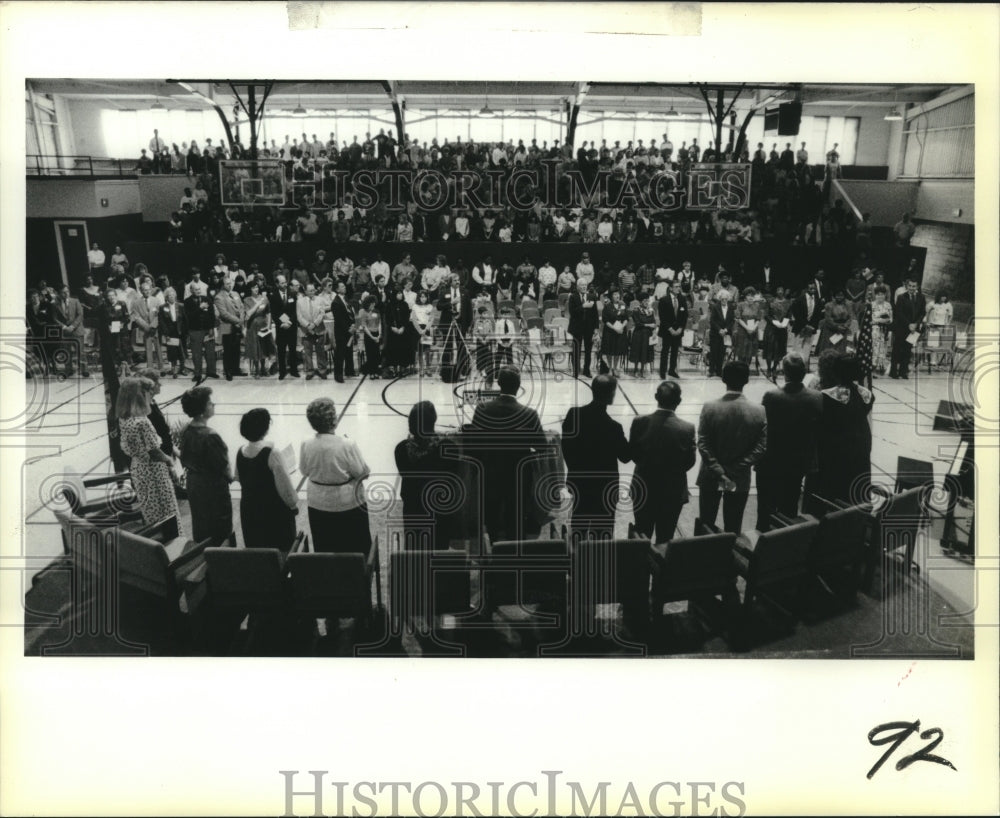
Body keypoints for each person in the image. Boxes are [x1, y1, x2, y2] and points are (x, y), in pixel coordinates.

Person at [469, 366, 548, 541]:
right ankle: (516, 553)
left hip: (490, 472)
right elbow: (542, 446)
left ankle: (493, 549)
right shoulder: (529, 414)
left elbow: (472, 444)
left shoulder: (482, 409)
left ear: (498, 384)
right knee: (517, 516)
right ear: (519, 386)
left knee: (492, 516)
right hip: (518, 474)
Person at [696, 361, 768, 534]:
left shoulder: (710, 407)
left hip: (711, 475)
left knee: (705, 523)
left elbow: (703, 444)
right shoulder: (759, 410)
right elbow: (760, 447)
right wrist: (734, 470)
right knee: (733, 525)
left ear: (723, 379)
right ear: (747, 380)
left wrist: (720, 472)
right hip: (739, 477)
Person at [754, 354, 822, 530]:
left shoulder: (771, 396)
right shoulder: (816, 397)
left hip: (772, 460)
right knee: (790, 506)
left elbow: (763, 427)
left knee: (765, 509)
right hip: (799, 461)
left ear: (785, 373)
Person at [299, 397, 373, 555]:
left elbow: (304, 471)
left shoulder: (306, 443)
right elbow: (362, 473)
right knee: (355, 547)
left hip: (317, 503)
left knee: (325, 545)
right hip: (347, 503)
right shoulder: (347, 444)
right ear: (333, 420)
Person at [626, 379, 696, 546]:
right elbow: (689, 462)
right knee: (666, 538)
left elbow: (634, 455)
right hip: (672, 491)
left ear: (656, 396)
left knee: (641, 536)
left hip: (643, 488)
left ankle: (640, 570)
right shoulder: (687, 428)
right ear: (679, 401)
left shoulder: (639, 422)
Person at [561, 375, 631, 539]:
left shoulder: (573, 415)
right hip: (605, 488)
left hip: (580, 483)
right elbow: (626, 457)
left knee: (578, 529)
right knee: (603, 534)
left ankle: (577, 562)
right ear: (612, 395)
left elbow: (566, 448)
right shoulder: (614, 428)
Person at [805, 353, 874, 511]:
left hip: (835, 446)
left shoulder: (827, 396)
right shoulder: (867, 395)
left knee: (830, 488)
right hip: (860, 443)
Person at [393, 401, 460, 550]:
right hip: (439, 510)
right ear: (434, 421)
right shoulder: (449, 448)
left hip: (413, 509)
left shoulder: (401, 449)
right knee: (439, 547)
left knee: (415, 547)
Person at [117, 378, 180, 530]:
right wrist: (170, 462)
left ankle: (156, 541)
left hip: (138, 469)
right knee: (166, 510)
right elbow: (154, 451)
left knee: (151, 509)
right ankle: (172, 542)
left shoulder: (124, 418)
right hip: (153, 471)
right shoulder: (142, 421)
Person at [235, 409, 298, 552]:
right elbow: (285, 489)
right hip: (272, 511)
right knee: (281, 550)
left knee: (257, 550)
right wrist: (293, 505)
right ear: (265, 428)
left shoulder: (240, 451)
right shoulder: (273, 453)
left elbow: (238, 476)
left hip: (249, 510)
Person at [178, 387, 234, 547]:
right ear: (202, 410)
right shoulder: (211, 436)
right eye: (210, 403)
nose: (213, 404)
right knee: (219, 526)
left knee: (201, 523)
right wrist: (232, 477)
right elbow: (223, 467)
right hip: (212, 487)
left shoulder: (186, 430)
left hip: (194, 484)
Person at [889, 279, 926, 379]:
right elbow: (899, 313)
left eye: (914, 286)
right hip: (902, 328)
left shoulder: (921, 298)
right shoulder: (901, 297)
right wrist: (909, 324)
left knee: (907, 349)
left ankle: (903, 371)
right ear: (907, 286)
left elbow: (922, 312)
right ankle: (893, 371)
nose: (912, 288)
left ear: (917, 287)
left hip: (914, 329)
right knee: (897, 349)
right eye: (910, 286)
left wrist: (916, 324)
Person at [51, 285, 89, 377]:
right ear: (59, 294)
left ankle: (84, 369)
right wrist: (64, 327)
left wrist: (72, 326)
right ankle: (68, 370)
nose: (66, 294)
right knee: (66, 351)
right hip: (65, 331)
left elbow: (80, 315)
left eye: (67, 291)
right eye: (63, 292)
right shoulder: (55, 304)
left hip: (77, 330)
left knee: (80, 351)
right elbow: (54, 318)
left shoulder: (75, 301)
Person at [130, 279, 165, 375]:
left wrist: (153, 326)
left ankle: (161, 368)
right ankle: (150, 369)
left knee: (158, 348)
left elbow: (159, 315)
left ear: (151, 289)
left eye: (148, 289)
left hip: (156, 329)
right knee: (148, 349)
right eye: (144, 290)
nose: (147, 291)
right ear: (141, 291)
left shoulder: (156, 301)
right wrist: (147, 327)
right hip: (145, 330)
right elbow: (136, 317)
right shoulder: (136, 303)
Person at [214, 277, 246, 380]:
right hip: (227, 326)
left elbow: (241, 307)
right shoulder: (219, 297)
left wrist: (241, 319)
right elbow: (223, 314)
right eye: (227, 284)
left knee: (237, 349)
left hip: (237, 327)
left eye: (230, 283)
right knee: (228, 350)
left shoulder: (236, 294)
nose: (230, 285)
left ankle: (236, 369)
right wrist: (237, 321)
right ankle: (228, 371)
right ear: (223, 285)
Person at [269, 274, 299, 380]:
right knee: (281, 351)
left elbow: (295, 311)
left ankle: (294, 370)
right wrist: (283, 323)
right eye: (282, 283)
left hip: (291, 327)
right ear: (277, 284)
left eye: (285, 282)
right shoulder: (273, 296)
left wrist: (289, 322)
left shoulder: (292, 294)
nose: (285, 284)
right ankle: (282, 371)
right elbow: (275, 313)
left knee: (292, 349)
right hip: (281, 327)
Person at [242, 280, 274, 379]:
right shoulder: (246, 300)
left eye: (256, 287)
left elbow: (268, 312)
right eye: (253, 287)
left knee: (263, 347)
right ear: (250, 289)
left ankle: (264, 369)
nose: (256, 289)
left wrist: (268, 325)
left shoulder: (265, 298)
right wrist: (257, 304)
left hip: (263, 325)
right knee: (255, 348)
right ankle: (257, 370)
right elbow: (248, 314)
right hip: (252, 327)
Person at [297, 282, 329, 380]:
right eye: (310, 290)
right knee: (308, 352)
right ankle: (309, 371)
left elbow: (322, 313)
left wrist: (314, 324)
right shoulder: (299, 302)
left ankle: (322, 370)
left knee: (320, 351)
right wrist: (308, 326)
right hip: (306, 330)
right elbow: (299, 317)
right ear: (306, 291)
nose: (312, 292)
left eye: (313, 290)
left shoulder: (320, 300)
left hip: (319, 328)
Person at [96, 288, 131, 375]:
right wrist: (107, 326)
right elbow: (101, 319)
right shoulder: (103, 306)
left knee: (124, 348)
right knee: (115, 348)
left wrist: (123, 323)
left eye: (113, 295)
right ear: (106, 297)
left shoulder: (122, 304)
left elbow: (127, 317)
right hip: (110, 330)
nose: (111, 297)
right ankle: (119, 366)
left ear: (116, 296)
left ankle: (126, 367)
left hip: (122, 330)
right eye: (109, 296)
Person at [568, 280, 598, 378]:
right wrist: (583, 306)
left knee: (588, 351)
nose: (584, 287)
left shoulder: (592, 296)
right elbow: (572, 312)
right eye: (582, 285)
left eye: (585, 285)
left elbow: (595, 315)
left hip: (589, 328)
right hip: (576, 328)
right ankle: (576, 371)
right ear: (577, 287)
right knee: (576, 350)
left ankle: (586, 370)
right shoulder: (573, 297)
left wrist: (596, 329)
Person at [657, 280, 687, 379]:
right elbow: (662, 317)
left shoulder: (682, 299)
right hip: (667, 330)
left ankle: (672, 370)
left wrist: (680, 328)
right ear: (670, 288)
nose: (678, 288)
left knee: (675, 351)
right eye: (676, 286)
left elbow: (685, 316)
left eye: (679, 286)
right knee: (665, 351)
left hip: (678, 330)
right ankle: (662, 371)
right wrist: (670, 329)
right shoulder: (663, 300)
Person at [789, 283, 822, 372]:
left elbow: (817, 315)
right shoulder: (799, 299)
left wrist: (812, 326)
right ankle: (795, 368)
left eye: (814, 289)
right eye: (811, 288)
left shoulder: (818, 300)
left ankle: (805, 368)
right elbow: (796, 313)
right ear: (807, 289)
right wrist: (805, 325)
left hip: (811, 328)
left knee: (807, 349)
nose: (812, 290)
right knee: (797, 349)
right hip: (800, 327)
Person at [762, 286, 791, 380]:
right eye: (778, 290)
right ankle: (769, 369)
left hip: (782, 329)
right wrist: (774, 322)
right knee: (770, 349)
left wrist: (784, 323)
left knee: (779, 350)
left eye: (782, 291)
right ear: (776, 292)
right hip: (771, 328)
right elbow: (766, 315)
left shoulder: (788, 303)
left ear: (784, 292)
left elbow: (789, 315)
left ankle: (775, 369)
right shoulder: (770, 301)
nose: (780, 292)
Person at [330, 282, 356, 382]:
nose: (345, 287)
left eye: (344, 286)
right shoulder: (335, 302)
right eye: (342, 286)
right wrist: (348, 328)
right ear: (337, 289)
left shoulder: (346, 299)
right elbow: (339, 319)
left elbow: (351, 312)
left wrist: (353, 324)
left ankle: (349, 371)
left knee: (349, 351)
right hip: (341, 331)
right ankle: (338, 375)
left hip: (349, 329)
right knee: (340, 354)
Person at [707, 288, 736, 378]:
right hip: (716, 333)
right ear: (720, 299)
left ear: (728, 299)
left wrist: (726, 330)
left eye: (725, 299)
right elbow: (712, 320)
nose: (724, 301)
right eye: (722, 299)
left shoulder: (731, 308)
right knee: (714, 352)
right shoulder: (715, 307)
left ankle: (719, 371)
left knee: (722, 352)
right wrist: (719, 330)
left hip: (725, 333)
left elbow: (732, 321)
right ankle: (711, 371)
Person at [600, 290, 628, 376]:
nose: (617, 296)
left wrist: (622, 327)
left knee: (617, 351)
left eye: (618, 294)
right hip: (610, 332)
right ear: (611, 296)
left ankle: (615, 368)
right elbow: (606, 320)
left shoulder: (622, 306)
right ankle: (610, 368)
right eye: (615, 294)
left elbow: (626, 319)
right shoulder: (608, 306)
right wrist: (615, 329)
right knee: (609, 351)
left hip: (620, 331)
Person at [732, 287, 762, 366]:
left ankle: (746, 369)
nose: (751, 297)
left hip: (753, 331)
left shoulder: (757, 306)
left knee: (750, 352)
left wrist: (753, 328)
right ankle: (740, 370)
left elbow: (758, 319)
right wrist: (747, 328)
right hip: (743, 330)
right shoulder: (740, 305)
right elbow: (738, 318)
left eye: (752, 295)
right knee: (742, 352)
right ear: (745, 297)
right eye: (749, 295)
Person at [628, 293, 657, 378]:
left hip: (648, 335)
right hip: (639, 334)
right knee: (638, 352)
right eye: (644, 300)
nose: (646, 302)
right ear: (640, 301)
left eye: (647, 300)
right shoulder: (636, 310)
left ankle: (642, 370)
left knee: (646, 353)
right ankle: (636, 370)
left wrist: (654, 331)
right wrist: (648, 325)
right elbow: (638, 323)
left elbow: (654, 322)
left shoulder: (651, 310)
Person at [357, 295, 383, 378]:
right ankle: (371, 372)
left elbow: (379, 323)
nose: (373, 305)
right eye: (371, 304)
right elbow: (364, 326)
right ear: (367, 304)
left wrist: (379, 334)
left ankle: (376, 371)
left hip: (376, 334)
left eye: (374, 303)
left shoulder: (377, 311)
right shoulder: (364, 312)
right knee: (370, 353)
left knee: (376, 353)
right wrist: (372, 337)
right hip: (369, 335)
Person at [410, 289, 435, 375]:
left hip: (426, 329)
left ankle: (428, 368)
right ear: (419, 298)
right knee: (420, 350)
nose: (423, 299)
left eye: (425, 297)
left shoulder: (430, 307)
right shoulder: (415, 307)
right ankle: (421, 368)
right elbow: (413, 320)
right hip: (418, 329)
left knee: (427, 349)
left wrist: (426, 329)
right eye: (422, 297)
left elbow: (431, 319)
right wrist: (420, 331)